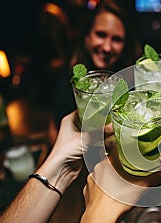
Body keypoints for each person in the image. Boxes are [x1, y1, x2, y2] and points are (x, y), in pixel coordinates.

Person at [48, 0, 141, 145]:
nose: (107, 47)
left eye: (116, 39)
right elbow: (54, 131)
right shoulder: (71, 79)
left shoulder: (133, 80)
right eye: (101, 34)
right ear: (87, 37)